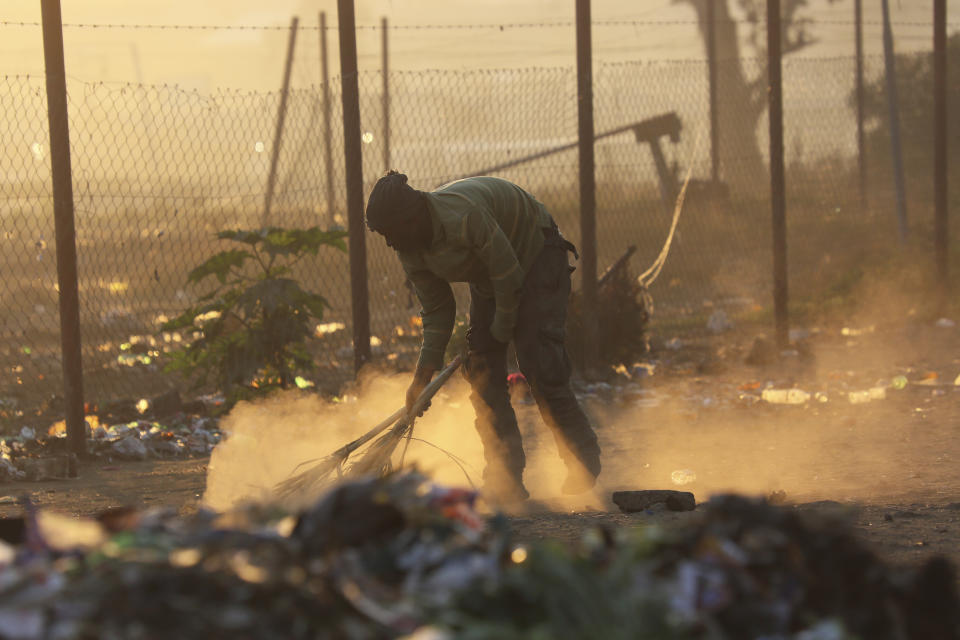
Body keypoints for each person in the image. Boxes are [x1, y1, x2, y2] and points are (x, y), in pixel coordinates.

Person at [365, 171, 601, 505]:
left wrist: (502, 328)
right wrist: (421, 379)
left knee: (537, 360)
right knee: (481, 370)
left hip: (536, 250)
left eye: (391, 233)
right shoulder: (411, 249)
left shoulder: (462, 217)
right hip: (492, 275)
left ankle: (582, 457)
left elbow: (509, 271)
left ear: (411, 218)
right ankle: (505, 477)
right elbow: (436, 312)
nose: (389, 243)